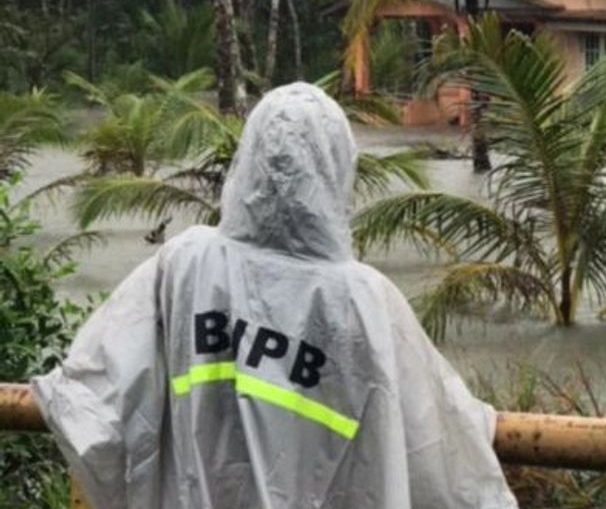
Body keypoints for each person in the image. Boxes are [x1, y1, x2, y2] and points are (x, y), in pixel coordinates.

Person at [33, 83, 518, 509]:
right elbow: (443, 455)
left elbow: (89, 403)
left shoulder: (184, 267)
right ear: (337, 169)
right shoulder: (364, 302)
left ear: (249, 162)